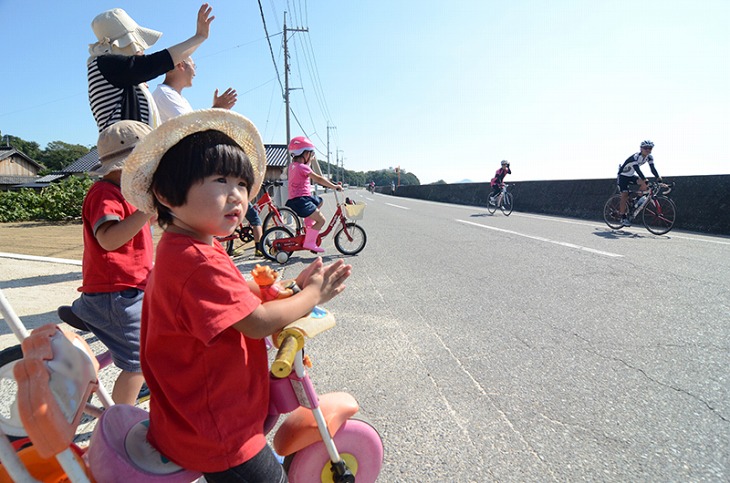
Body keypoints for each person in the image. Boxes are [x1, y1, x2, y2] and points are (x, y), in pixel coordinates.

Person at [121, 109, 351, 481]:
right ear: (166, 194)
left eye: (243, 184)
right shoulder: (196, 261)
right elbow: (256, 323)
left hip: (201, 415)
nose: (237, 196)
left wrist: (291, 289)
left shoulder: (191, 247)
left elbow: (241, 297)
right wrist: (312, 296)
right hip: (219, 432)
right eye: (221, 180)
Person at [60, 121, 154, 405]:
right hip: (116, 293)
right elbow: (109, 239)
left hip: (132, 287)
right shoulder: (104, 193)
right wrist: (145, 211)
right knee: (138, 362)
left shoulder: (129, 195)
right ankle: (121, 419)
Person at [150, 57, 264, 256]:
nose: (195, 70)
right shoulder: (164, 93)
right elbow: (189, 132)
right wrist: (216, 111)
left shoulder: (176, 96)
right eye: (194, 65)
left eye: (241, 184)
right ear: (180, 65)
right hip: (184, 169)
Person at [87, 4, 214, 132]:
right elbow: (155, 63)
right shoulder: (107, 64)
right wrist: (200, 36)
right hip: (127, 149)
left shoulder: (107, 69)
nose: (141, 49)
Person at [285, 136, 343, 253]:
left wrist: (309, 160)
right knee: (321, 221)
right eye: (310, 154)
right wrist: (334, 186)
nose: (311, 157)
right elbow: (318, 179)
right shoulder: (303, 168)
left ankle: (308, 223)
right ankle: (309, 242)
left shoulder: (293, 166)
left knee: (319, 201)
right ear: (303, 154)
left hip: (302, 198)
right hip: (302, 201)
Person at [617, 140, 662, 226]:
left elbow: (652, 168)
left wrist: (658, 178)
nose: (648, 150)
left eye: (650, 148)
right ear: (641, 148)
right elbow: (637, 169)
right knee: (625, 194)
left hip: (630, 176)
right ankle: (622, 217)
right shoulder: (635, 157)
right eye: (645, 148)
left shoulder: (649, 157)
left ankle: (636, 200)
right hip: (622, 176)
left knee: (644, 184)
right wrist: (644, 179)